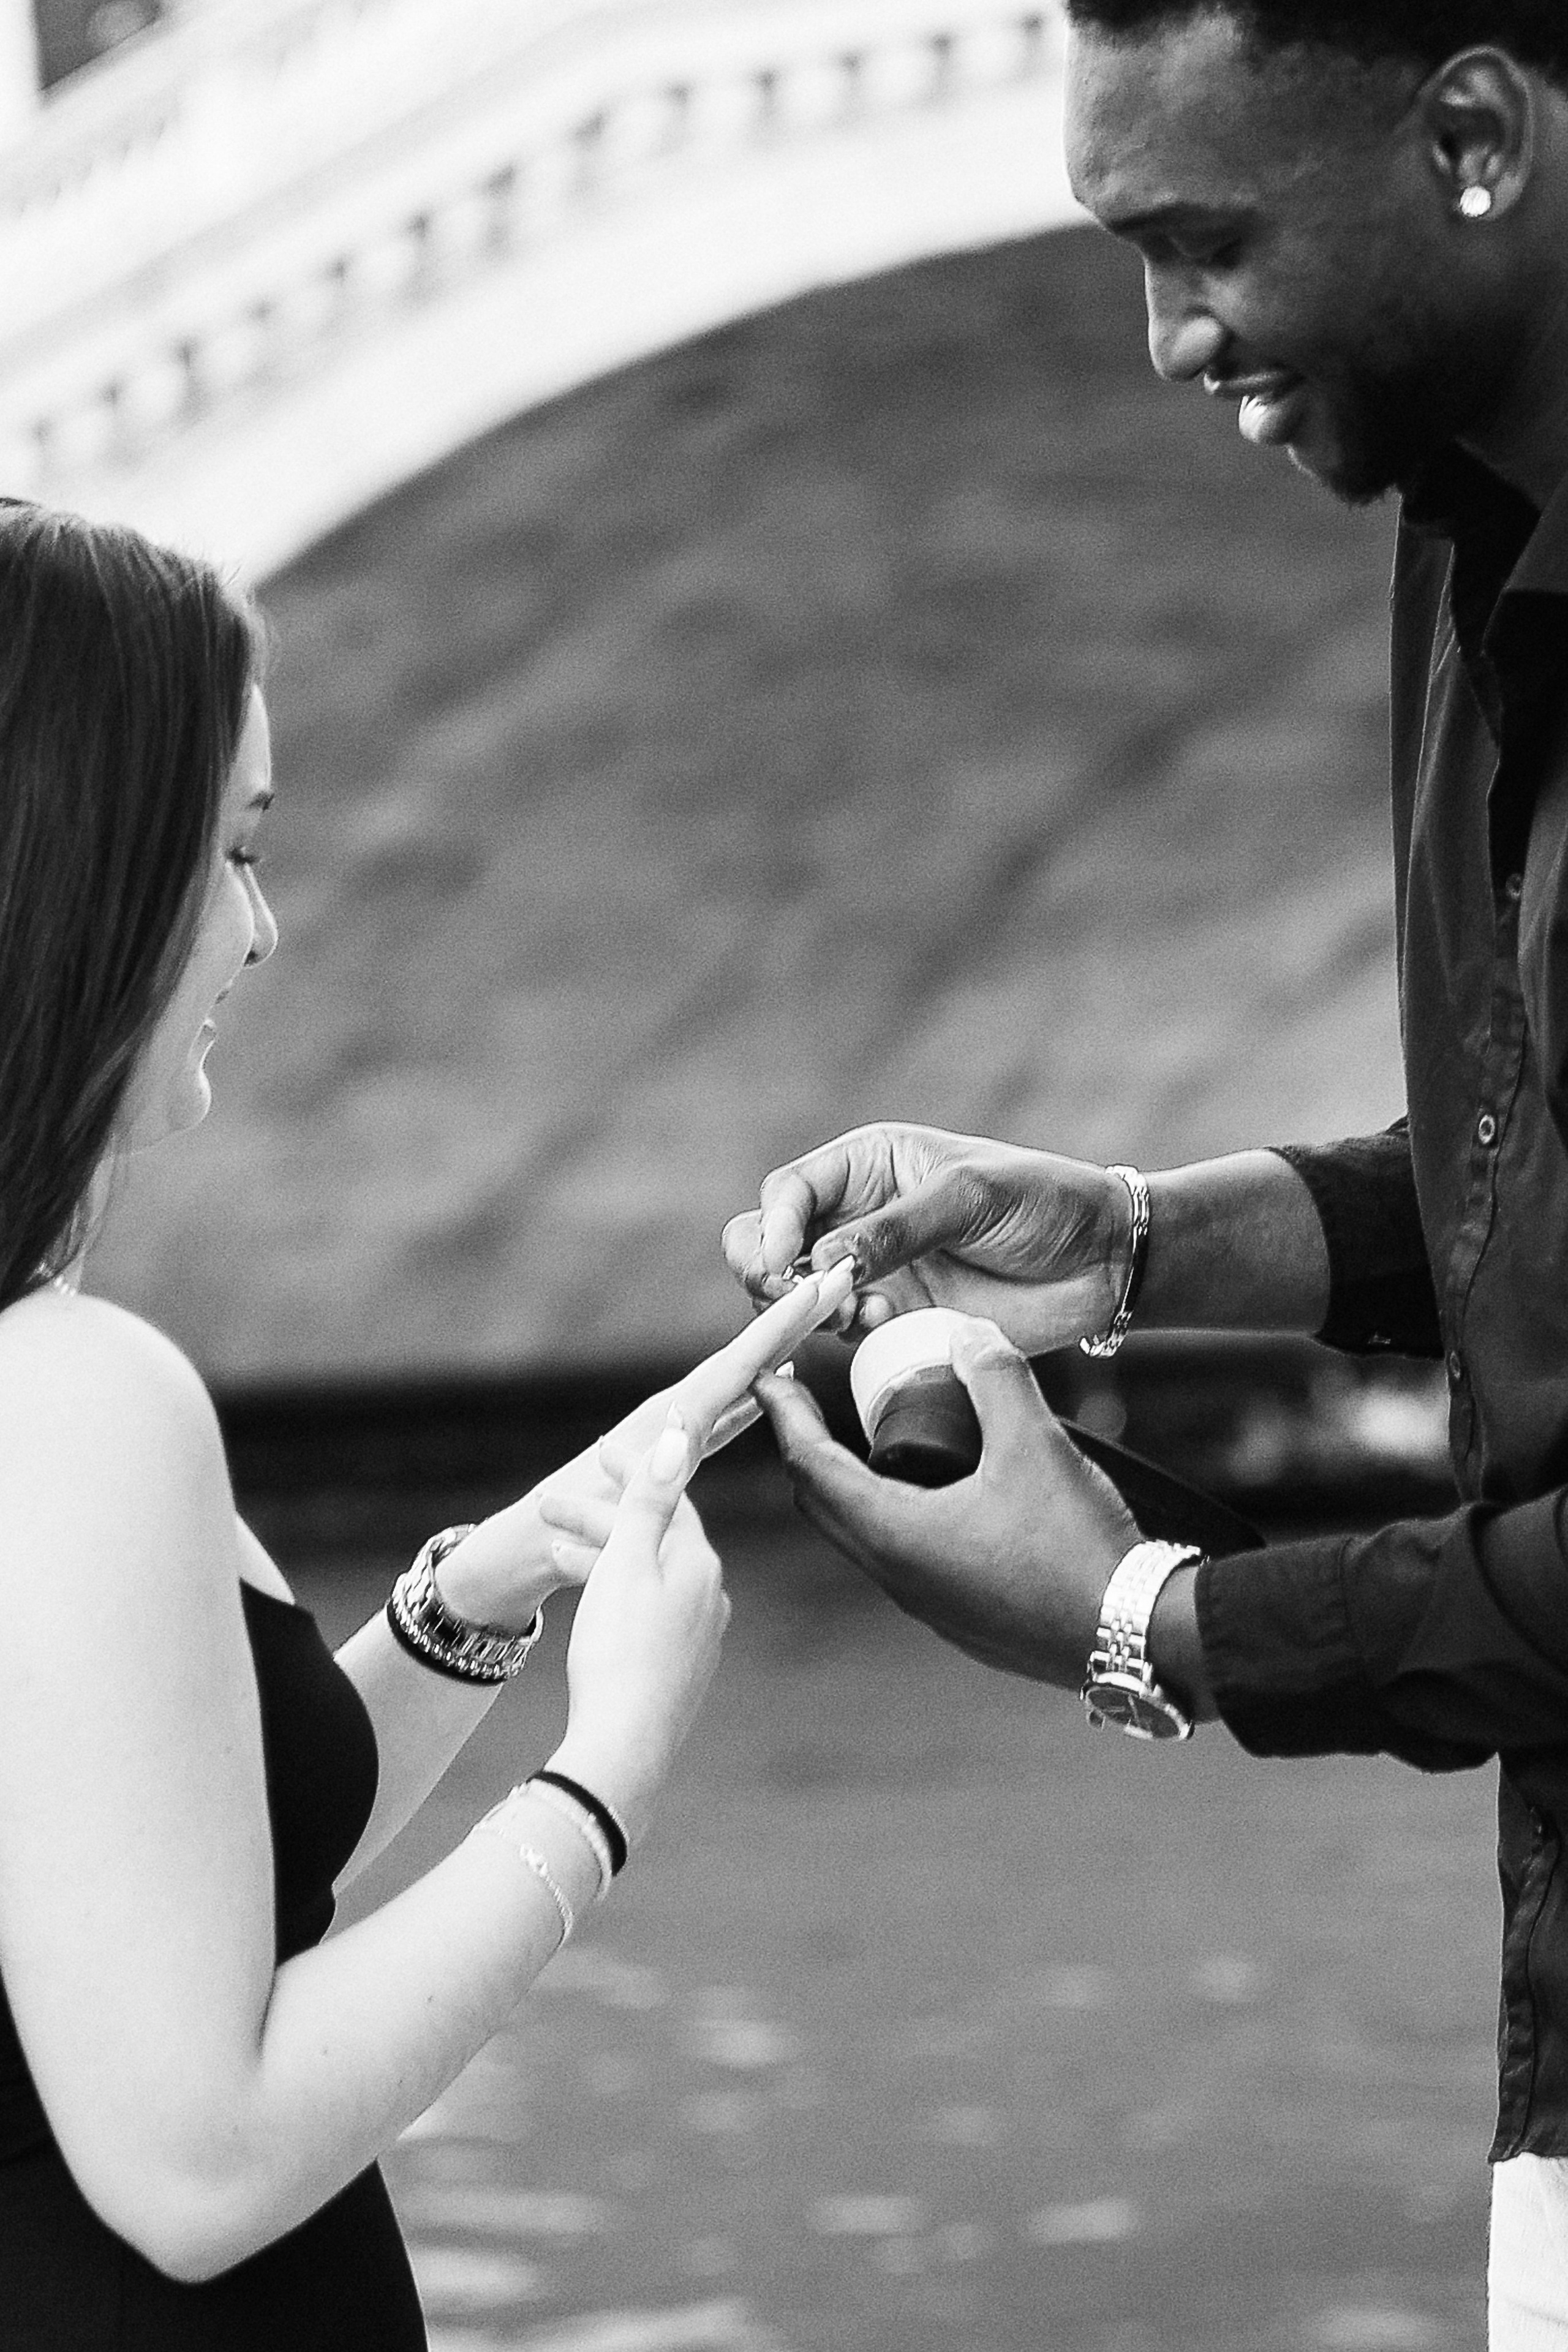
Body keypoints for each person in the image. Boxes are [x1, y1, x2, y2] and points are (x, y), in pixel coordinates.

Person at [713, 2, 1568, 2342]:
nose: (1165, 339)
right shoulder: (1469, 529)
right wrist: (1133, 1236)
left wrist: (1136, 1620)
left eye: (1203, 243)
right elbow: (1546, 1167)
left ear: (1475, 133)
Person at [0, 498, 848, 2350]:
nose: (264, 925)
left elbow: (179, 1879)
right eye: (231, 852)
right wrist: (605, 1776)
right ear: (77, 873)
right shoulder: (70, 1403)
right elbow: (198, 2168)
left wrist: (504, 1580)